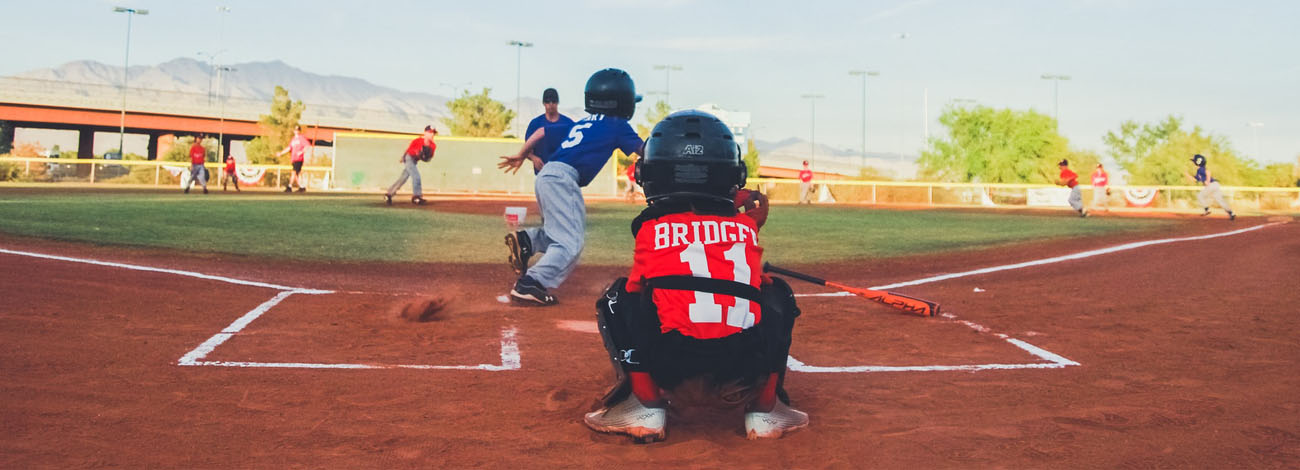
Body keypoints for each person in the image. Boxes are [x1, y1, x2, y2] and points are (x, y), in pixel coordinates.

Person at [582, 109, 806, 443]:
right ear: (733, 175)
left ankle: (646, 405)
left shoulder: (649, 229)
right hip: (741, 362)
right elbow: (724, 244)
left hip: (671, 364)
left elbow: (636, 289)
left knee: (618, 296)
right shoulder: (746, 229)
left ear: (652, 176)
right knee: (778, 294)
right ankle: (764, 410)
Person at [499, 68, 644, 306]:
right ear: (622, 102)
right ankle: (531, 284)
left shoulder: (585, 122)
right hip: (563, 179)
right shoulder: (617, 124)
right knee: (570, 243)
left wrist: (521, 154)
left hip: (547, 175)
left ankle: (528, 241)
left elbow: (541, 132)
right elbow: (644, 150)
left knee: (559, 231)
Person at [523, 88, 574, 172]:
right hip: (542, 173)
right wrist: (534, 158)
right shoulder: (535, 123)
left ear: (557, 102)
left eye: (553, 101)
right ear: (543, 103)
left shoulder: (568, 123)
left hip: (563, 172)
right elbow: (527, 149)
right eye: (547, 101)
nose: (551, 104)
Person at [385, 125, 438, 205]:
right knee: (416, 176)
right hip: (409, 158)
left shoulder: (433, 146)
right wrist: (403, 157)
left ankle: (389, 194)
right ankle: (417, 196)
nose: (432, 134)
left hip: (414, 161)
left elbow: (428, 159)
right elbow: (409, 150)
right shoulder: (417, 141)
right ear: (425, 133)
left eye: (433, 133)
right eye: (430, 132)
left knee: (403, 178)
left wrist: (424, 158)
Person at [1188, 154, 1235, 220]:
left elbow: (1208, 172)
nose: (1193, 163)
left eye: (1194, 161)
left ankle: (1206, 210)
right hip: (1215, 184)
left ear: (1197, 162)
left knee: (1200, 196)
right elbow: (1195, 179)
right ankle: (1231, 213)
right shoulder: (1199, 171)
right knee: (1220, 200)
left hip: (1211, 185)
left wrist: (1207, 180)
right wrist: (1187, 175)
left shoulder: (1200, 169)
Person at [275, 126, 312, 192]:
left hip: (298, 159)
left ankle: (289, 186)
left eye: (298, 130)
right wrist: (281, 153)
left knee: (294, 172)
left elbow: (307, 145)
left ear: (300, 131)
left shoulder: (301, 138)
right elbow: (289, 148)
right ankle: (302, 187)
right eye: (295, 130)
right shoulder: (293, 139)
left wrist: (301, 152)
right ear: (294, 131)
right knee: (297, 174)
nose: (296, 131)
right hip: (294, 159)